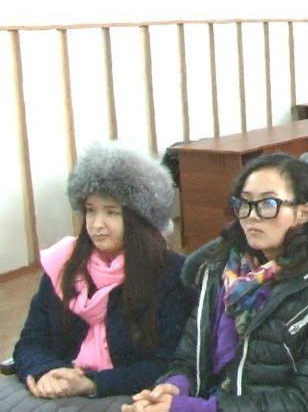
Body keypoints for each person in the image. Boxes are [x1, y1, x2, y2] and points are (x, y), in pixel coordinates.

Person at [127, 154, 308, 411]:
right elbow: (187, 357)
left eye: (268, 203)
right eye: (244, 203)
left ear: (303, 212)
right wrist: (174, 386)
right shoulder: (219, 269)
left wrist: (193, 408)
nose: (252, 215)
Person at [6, 142, 190, 406]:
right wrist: (45, 371)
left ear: (139, 218)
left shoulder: (171, 274)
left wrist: (92, 383)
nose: (96, 224)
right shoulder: (63, 263)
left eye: (111, 212)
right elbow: (31, 341)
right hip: (58, 392)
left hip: (129, 396)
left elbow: (170, 364)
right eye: (90, 210)